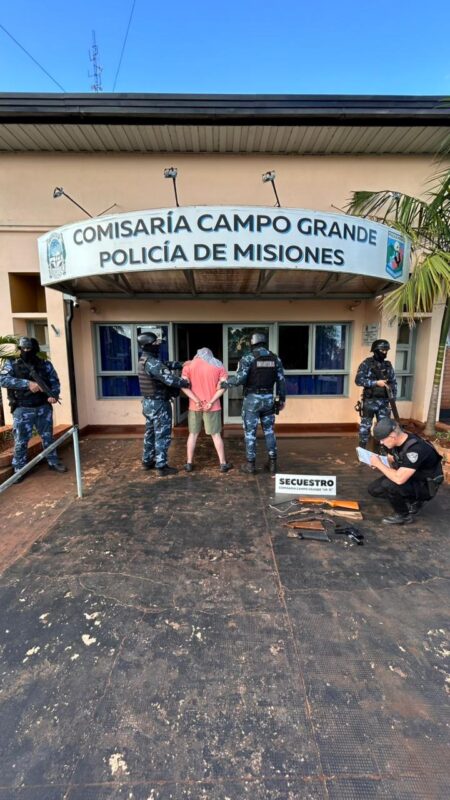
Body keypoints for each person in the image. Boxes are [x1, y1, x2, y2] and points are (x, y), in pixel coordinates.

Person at [0, 337, 67, 480]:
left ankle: (52, 461)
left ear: (34, 349)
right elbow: (3, 380)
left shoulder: (45, 364)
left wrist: (53, 395)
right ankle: (19, 469)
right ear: (19, 349)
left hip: (43, 407)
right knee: (21, 440)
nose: (25, 351)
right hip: (23, 408)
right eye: (23, 348)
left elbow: (54, 381)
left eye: (28, 349)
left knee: (48, 437)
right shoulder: (11, 364)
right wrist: (27, 384)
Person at [222, 332, 286, 474]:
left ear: (252, 343)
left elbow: (239, 379)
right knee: (269, 431)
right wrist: (281, 399)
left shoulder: (248, 358)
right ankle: (273, 463)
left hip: (252, 400)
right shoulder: (275, 359)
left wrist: (224, 383)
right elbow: (281, 380)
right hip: (269, 399)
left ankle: (250, 465)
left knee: (250, 433)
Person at [367, 417, 444, 525]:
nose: (381, 442)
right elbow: (394, 459)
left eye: (382, 439)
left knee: (389, 484)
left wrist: (379, 464)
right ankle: (408, 498)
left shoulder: (416, 449)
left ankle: (404, 515)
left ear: (392, 436)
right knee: (373, 490)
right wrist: (382, 462)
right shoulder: (397, 442)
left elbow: (399, 479)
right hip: (411, 476)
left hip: (425, 485)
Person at [137, 332, 190, 477]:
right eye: (155, 343)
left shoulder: (145, 360)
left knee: (150, 433)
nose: (158, 345)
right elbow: (170, 380)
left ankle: (147, 461)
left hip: (148, 404)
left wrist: (182, 363)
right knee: (162, 435)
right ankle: (161, 466)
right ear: (147, 345)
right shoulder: (152, 363)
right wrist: (186, 382)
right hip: (159, 404)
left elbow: (165, 365)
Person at [181, 347, 232, 473]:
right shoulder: (218, 365)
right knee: (216, 435)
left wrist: (196, 400)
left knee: (192, 434)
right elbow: (223, 387)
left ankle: (189, 463)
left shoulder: (189, 365)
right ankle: (223, 464)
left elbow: (183, 386)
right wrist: (211, 401)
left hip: (194, 406)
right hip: (212, 406)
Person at [355, 339, 397, 449]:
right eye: (382, 350)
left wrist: (393, 399)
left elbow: (393, 382)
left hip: (384, 402)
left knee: (384, 428)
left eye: (386, 350)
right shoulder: (366, 364)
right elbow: (358, 380)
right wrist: (375, 383)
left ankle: (383, 450)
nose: (385, 352)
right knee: (365, 427)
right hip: (370, 401)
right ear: (375, 350)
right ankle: (362, 449)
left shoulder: (388, 365)